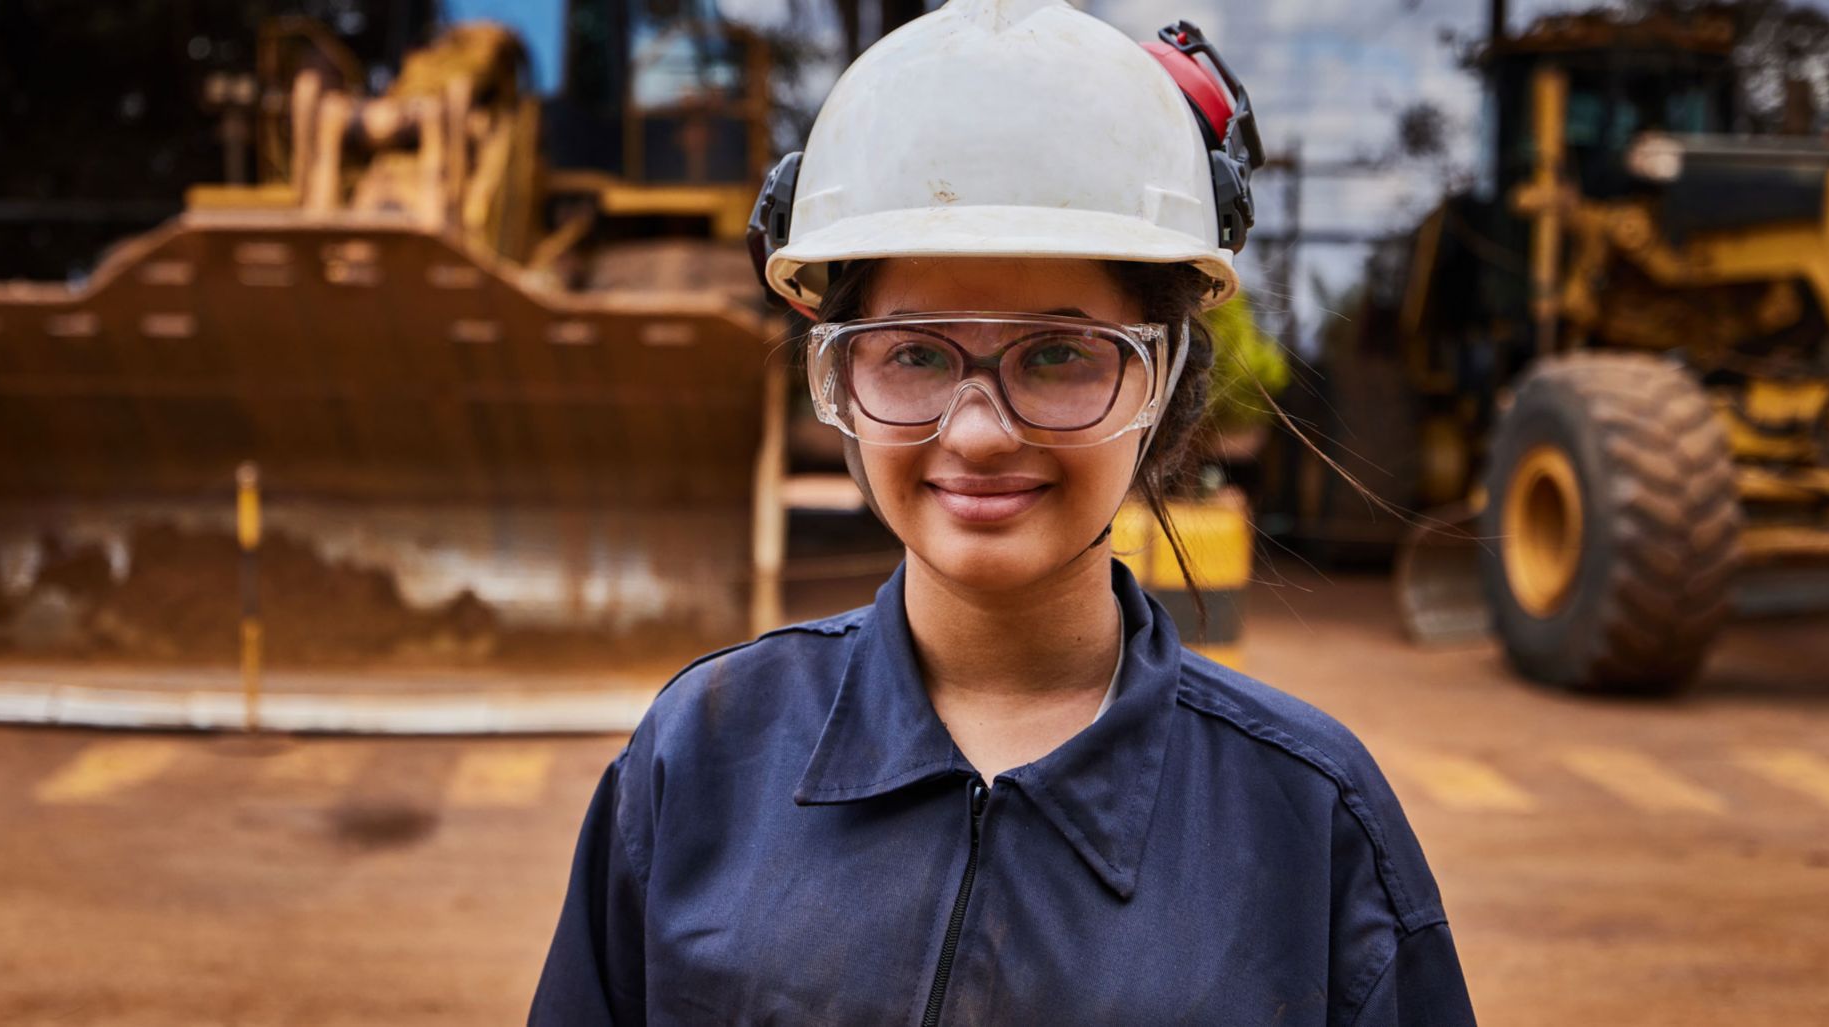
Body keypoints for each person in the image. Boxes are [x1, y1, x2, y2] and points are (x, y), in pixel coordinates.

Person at [531, 1, 1476, 1023]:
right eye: (916, 354)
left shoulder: (1306, 816)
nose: (976, 432)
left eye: (1060, 355)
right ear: (838, 376)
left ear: (1163, 386)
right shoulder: (700, 757)